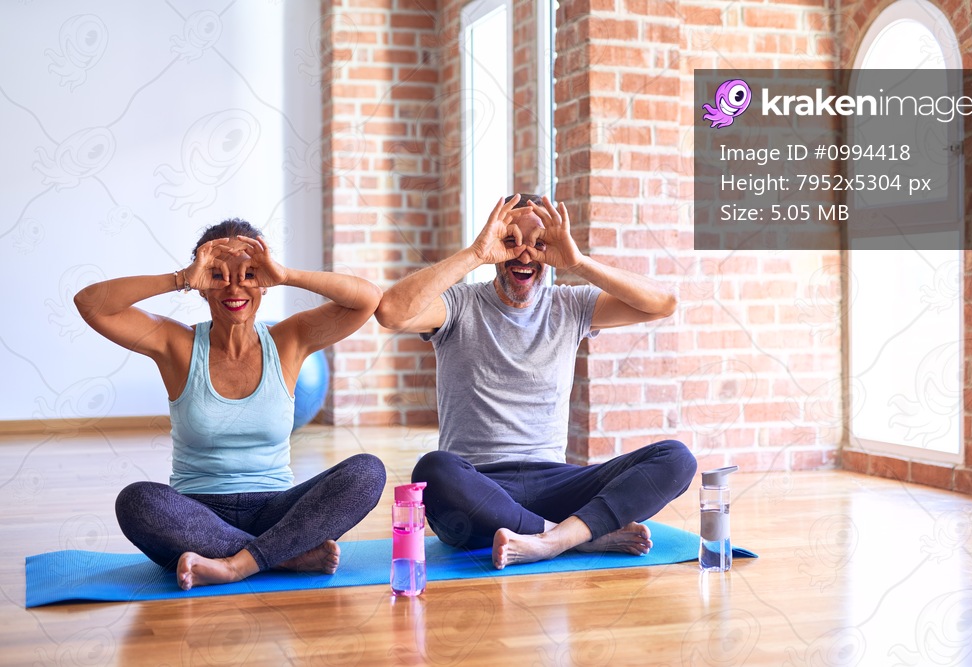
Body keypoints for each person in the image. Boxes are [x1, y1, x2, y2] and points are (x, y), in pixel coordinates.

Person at [375, 194, 697, 569]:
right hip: (478, 488)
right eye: (510, 241)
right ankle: (575, 539)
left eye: (539, 244)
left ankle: (551, 540)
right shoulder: (458, 305)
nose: (525, 255)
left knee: (676, 459)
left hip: (556, 483)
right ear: (493, 242)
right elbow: (390, 311)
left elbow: (664, 303)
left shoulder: (571, 305)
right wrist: (475, 254)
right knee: (433, 471)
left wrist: (577, 262)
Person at [74, 218, 386, 590]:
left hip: (276, 510)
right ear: (202, 287)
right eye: (218, 275)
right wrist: (181, 277)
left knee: (367, 472)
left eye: (249, 274)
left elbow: (368, 299)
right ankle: (283, 557)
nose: (234, 287)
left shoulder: (289, 340)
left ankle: (235, 565)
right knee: (136, 502)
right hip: (197, 516)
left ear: (264, 283)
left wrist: (285, 274)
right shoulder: (178, 345)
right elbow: (91, 304)